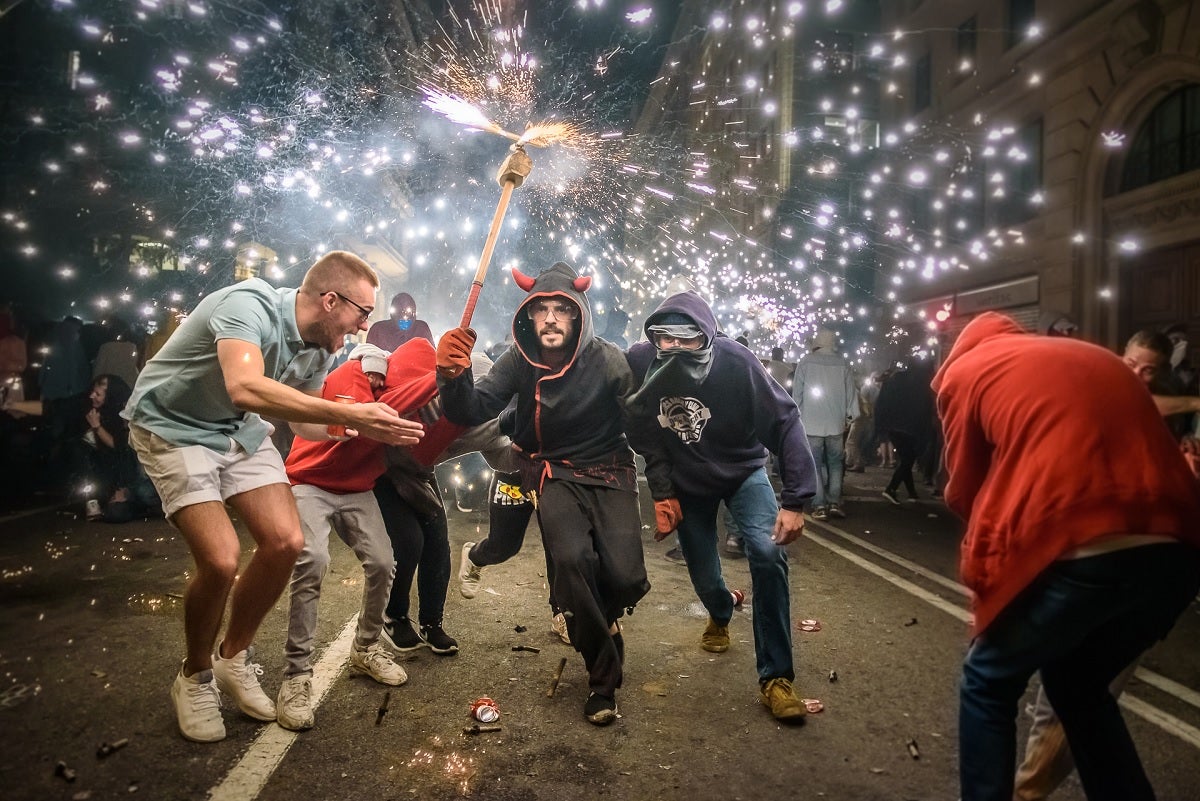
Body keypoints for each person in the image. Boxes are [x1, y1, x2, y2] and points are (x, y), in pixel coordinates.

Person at [122, 251, 424, 743]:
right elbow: (244, 387)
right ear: (330, 300)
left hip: (237, 432)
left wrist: (358, 425)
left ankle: (231, 658)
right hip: (173, 429)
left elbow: (301, 421)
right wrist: (341, 410)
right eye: (362, 312)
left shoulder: (320, 347)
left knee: (287, 542)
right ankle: (194, 676)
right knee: (221, 560)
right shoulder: (249, 305)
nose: (366, 326)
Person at [932, 311, 1200, 801]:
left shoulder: (965, 374)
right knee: (1078, 685)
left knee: (988, 681)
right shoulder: (1091, 356)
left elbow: (964, 488)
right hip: (1178, 544)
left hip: (1080, 536)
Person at [435, 261, 649, 726]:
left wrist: (670, 490)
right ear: (529, 317)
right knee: (571, 563)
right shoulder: (517, 359)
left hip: (610, 471)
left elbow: (642, 426)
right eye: (541, 310)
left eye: (562, 310)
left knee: (627, 577)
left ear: (578, 316)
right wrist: (451, 375)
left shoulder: (608, 359)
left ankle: (602, 621)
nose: (551, 318)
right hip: (549, 471)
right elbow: (472, 411)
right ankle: (602, 682)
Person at [625, 290, 818, 723]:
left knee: (768, 554)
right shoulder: (640, 361)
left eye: (686, 340)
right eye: (664, 339)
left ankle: (776, 678)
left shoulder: (736, 361)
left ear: (707, 337)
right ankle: (720, 609)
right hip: (686, 479)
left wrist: (796, 499)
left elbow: (785, 419)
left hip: (743, 470)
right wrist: (661, 490)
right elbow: (640, 429)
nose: (673, 349)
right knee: (701, 569)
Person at [276, 344, 425, 731]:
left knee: (382, 562)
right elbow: (348, 416)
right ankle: (296, 675)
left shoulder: (402, 396)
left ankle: (365, 648)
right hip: (308, 480)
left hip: (358, 488)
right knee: (312, 561)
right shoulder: (351, 375)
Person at [791, 329, 857, 520]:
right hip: (836, 423)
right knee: (836, 463)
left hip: (811, 422)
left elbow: (798, 393)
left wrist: (797, 415)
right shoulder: (842, 362)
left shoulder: (806, 361)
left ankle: (819, 505)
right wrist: (849, 416)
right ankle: (835, 502)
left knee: (815, 464)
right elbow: (850, 392)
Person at [875, 359, 935, 504]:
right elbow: (925, 409)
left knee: (905, 459)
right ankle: (891, 488)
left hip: (892, 426)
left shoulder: (896, 379)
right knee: (908, 459)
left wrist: (881, 423)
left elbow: (882, 400)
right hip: (911, 428)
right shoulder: (923, 383)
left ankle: (912, 493)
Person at [366, 291, 434, 351]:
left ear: (414, 312)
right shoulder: (378, 330)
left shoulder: (421, 329)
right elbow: (368, 357)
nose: (404, 316)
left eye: (408, 312)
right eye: (399, 311)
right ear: (393, 313)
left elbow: (433, 357)